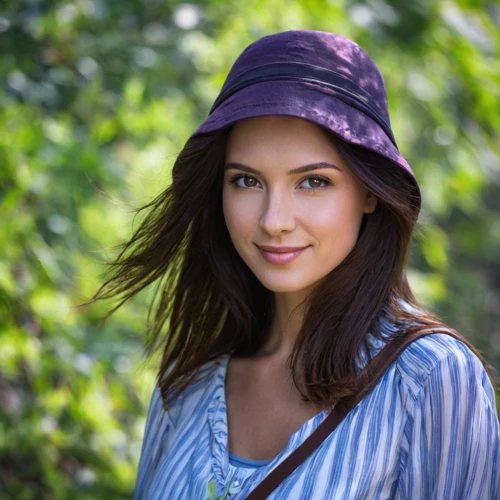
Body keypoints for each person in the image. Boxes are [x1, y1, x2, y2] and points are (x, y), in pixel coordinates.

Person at [92, 30, 500, 499]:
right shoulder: (187, 383)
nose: (274, 221)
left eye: (312, 182)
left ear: (369, 191)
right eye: (246, 180)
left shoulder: (432, 377)